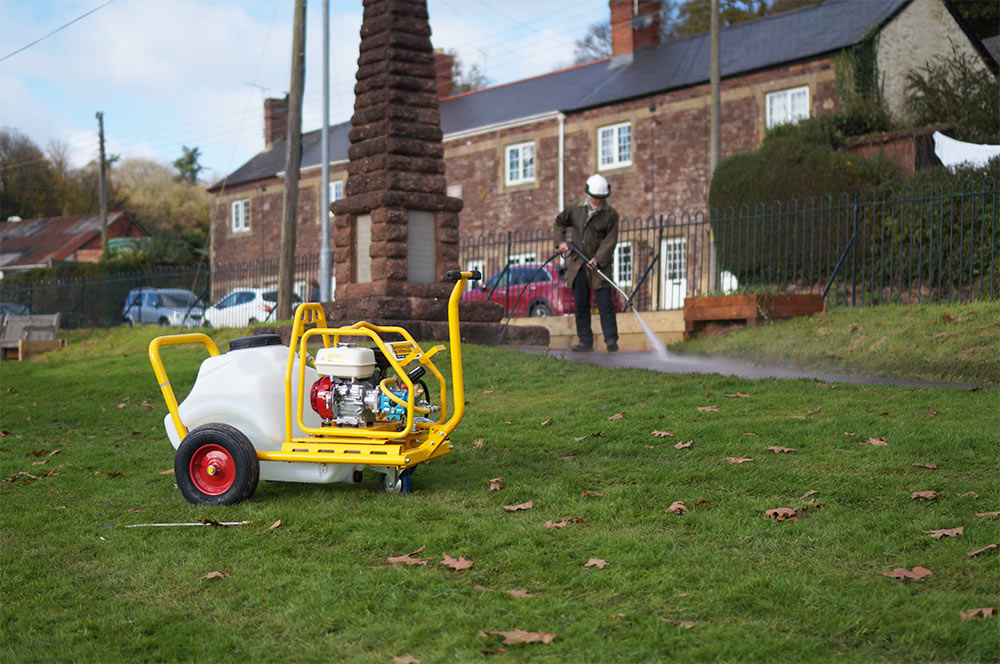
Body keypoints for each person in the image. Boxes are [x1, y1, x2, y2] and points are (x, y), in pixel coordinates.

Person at [553, 173, 620, 352]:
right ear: (587, 194)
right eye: (594, 197)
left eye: (601, 198)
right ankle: (585, 341)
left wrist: (598, 259)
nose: (597, 200)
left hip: (600, 264)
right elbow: (559, 223)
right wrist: (560, 243)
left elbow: (610, 240)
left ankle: (611, 340)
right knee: (581, 303)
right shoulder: (575, 209)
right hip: (578, 263)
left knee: (605, 303)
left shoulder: (611, 215)